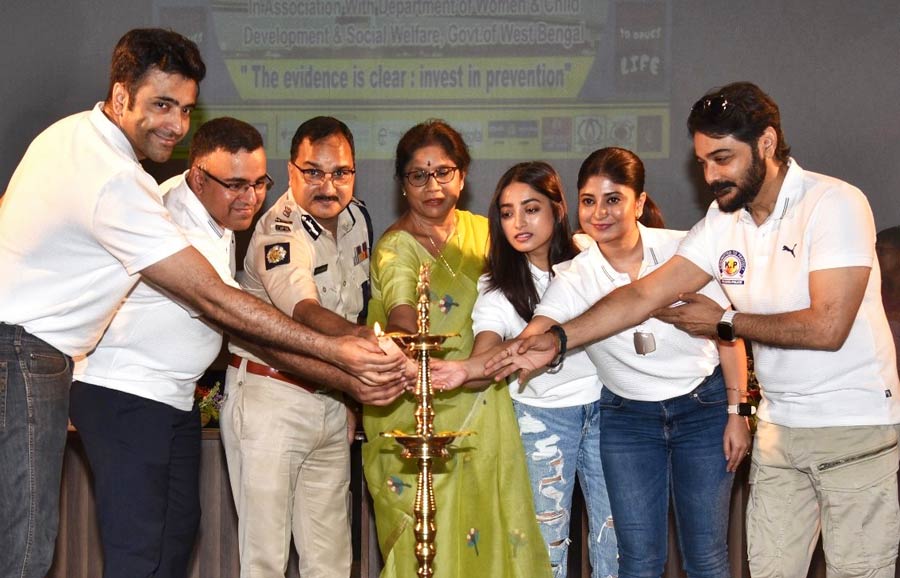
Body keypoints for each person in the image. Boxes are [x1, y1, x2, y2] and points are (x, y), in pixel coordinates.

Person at [0, 28, 405, 578]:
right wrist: (342, 355)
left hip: (128, 385)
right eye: (161, 104)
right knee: (33, 547)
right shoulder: (131, 189)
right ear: (121, 97)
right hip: (42, 359)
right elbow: (220, 303)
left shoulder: (74, 138)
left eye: (185, 109)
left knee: (167, 540)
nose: (175, 123)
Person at [488, 82, 900, 578]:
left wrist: (726, 322)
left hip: (850, 426)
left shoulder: (833, 203)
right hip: (779, 428)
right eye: (703, 161)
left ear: (766, 143)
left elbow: (829, 326)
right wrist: (556, 341)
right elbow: (643, 295)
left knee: (858, 571)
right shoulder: (724, 222)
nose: (710, 175)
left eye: (722, 158)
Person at [69, 116, 268, 578]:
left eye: (260, 183)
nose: (251, 198)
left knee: (177, 532)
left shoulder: (204, 201)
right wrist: (340, 359)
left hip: (173, 398)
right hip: (123, 393)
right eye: (236, 184)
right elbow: (233, 315)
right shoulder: (175, 227)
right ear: (199, 175)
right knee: (138, 548)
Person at [362, 120, 551, 577]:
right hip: (417, 407)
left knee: (488, 527)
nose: (432, 186)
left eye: (443, 172)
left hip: (486, 400)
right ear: (402, 183)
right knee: (429, 530)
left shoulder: (488, 234)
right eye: (417, 175)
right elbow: (402, 311)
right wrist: (411, 349)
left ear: (463, 176)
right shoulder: (394, 247)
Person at [221, 116, 393, 578]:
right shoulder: (279, 230)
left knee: (332, 562)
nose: (327, 185)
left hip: (330, 402)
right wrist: (366, 345)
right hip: (269, 401)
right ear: (292, 170)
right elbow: (305, 312)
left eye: (340, 172)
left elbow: (359, 305)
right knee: (265, 561)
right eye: (313, 172)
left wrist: (348, 393)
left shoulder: (357, 218)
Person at [430, 161, 618, 577]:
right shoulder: (496, 285)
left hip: (609, 412)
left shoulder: (591, 254)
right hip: (542, 421)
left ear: (558, 209)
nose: (519, 222)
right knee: (545, 549)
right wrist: (465, 370)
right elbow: (489, 351)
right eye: (508, 211)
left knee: (616, 543)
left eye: (531, 208)